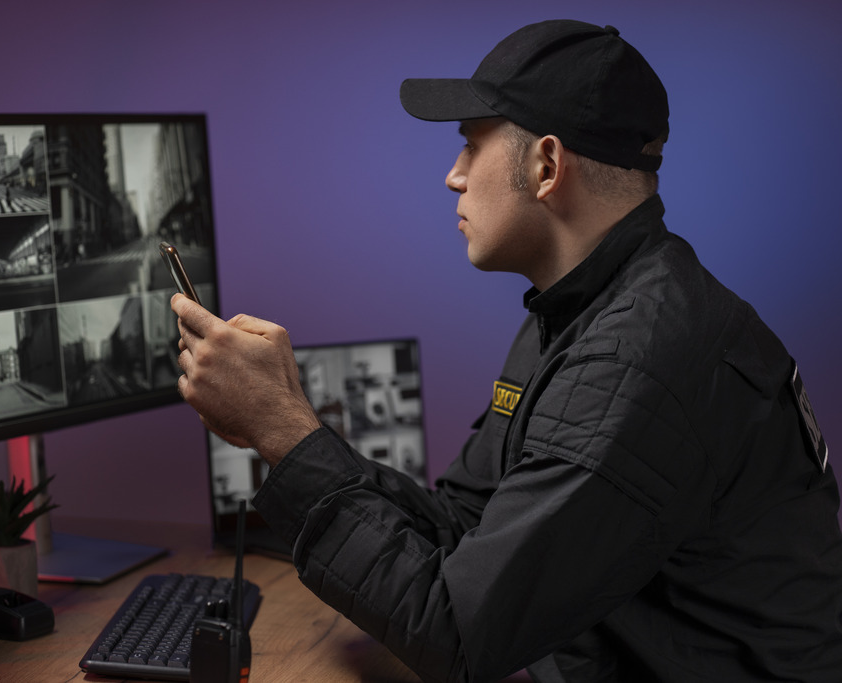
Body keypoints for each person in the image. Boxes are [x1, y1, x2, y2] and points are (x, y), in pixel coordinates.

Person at [171, 19, 842, 682]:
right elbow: (468, 526)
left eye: (470, 146)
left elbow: (457, 633)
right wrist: (292, 421)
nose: (453, 177)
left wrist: (283, 432)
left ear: (546, 166)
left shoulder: (641, 357)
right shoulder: (583, 305)